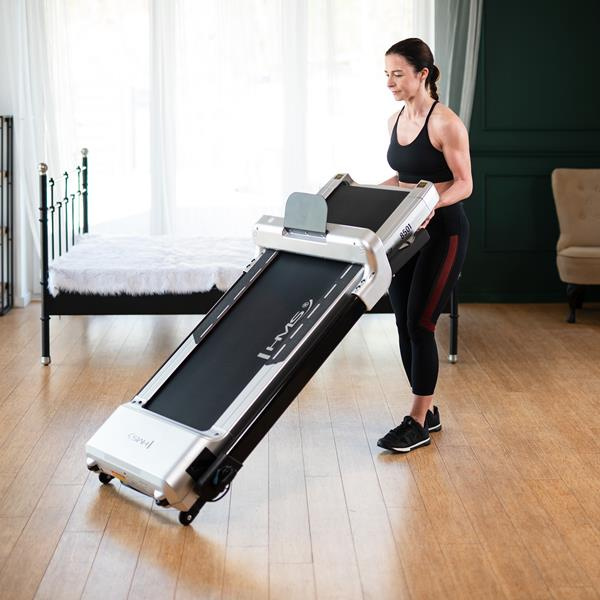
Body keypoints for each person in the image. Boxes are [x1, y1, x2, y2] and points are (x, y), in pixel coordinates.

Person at [376, 38, 472, 453]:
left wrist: (432, 204)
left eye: (398, 74)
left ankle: (416, 422)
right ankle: (427, 411)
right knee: (402, 322)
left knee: (421, 323)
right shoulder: (395, 120)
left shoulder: (445, 123)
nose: (390, 82)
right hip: (407, 234)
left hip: (443, 232)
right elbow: (402, 180)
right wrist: (360, 194)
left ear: (423, 74)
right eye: (387, 74)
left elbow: (464, 183)